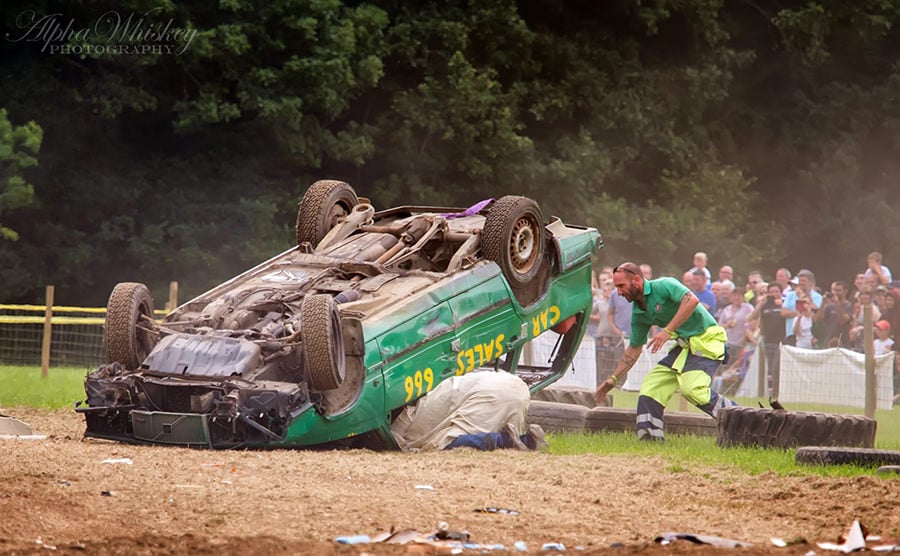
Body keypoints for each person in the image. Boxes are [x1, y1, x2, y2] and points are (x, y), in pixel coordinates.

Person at [594, 262, 737, 441]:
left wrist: (667, 331)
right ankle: (650, 439)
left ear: (637, 280)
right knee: (651, 387)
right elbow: (634, 348)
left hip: (708, 339)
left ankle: (741, 420)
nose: (619, 292)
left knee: (692, 389)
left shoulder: (664, 285)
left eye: (621, 286)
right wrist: (613, 379)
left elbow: (691, 300)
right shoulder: (639, 312)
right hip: (685, 346)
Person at [390, 370, 547, 451]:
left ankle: (503, 440)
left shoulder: (407, 419)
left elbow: (406, 442)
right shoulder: (438, 387)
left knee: (445, 442)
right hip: (516, 385)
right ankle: (527, 440)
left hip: (489, 392)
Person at [748, 282, 787, 396]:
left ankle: (778, 392)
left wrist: (782, 304)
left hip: (781, 342)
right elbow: (750, 318)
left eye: (776, 291)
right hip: (768, 341)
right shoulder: (765, 306)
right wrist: (761, 304)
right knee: (769, 370)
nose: (774, 294)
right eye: (771, 292)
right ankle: (769, 393)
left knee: (777, 369)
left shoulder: (785, 304)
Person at [781, 269, 822, 337]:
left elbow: (815, 314)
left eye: (804, 281)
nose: (801, 283)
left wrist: (803, 296)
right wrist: (800, 312)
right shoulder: (790, 295)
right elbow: (783, 313)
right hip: (790, 334)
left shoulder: (817, 297)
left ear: (811, 283)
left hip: (809, 336)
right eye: (800, 281)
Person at [718, 287, 754, 356]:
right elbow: (719, 325)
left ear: (743, 297)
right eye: (734, 295)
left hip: (742, 342)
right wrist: (727, 325)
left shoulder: (748, 308)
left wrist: (746, 336)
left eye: (739, 296)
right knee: (727, 364)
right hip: (728, 342)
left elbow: (753, 323)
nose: (736, 298)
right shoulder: (727, 309)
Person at [816, 280, 852, 347]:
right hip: (828, 342)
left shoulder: (849, 306)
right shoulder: (829, 306)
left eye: (838, 290)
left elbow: (842, 321)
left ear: (845, 291)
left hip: (843, 343)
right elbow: (817, 320)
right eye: (834, 290)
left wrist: (837, 304)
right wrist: (823, 303)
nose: (835, 293)